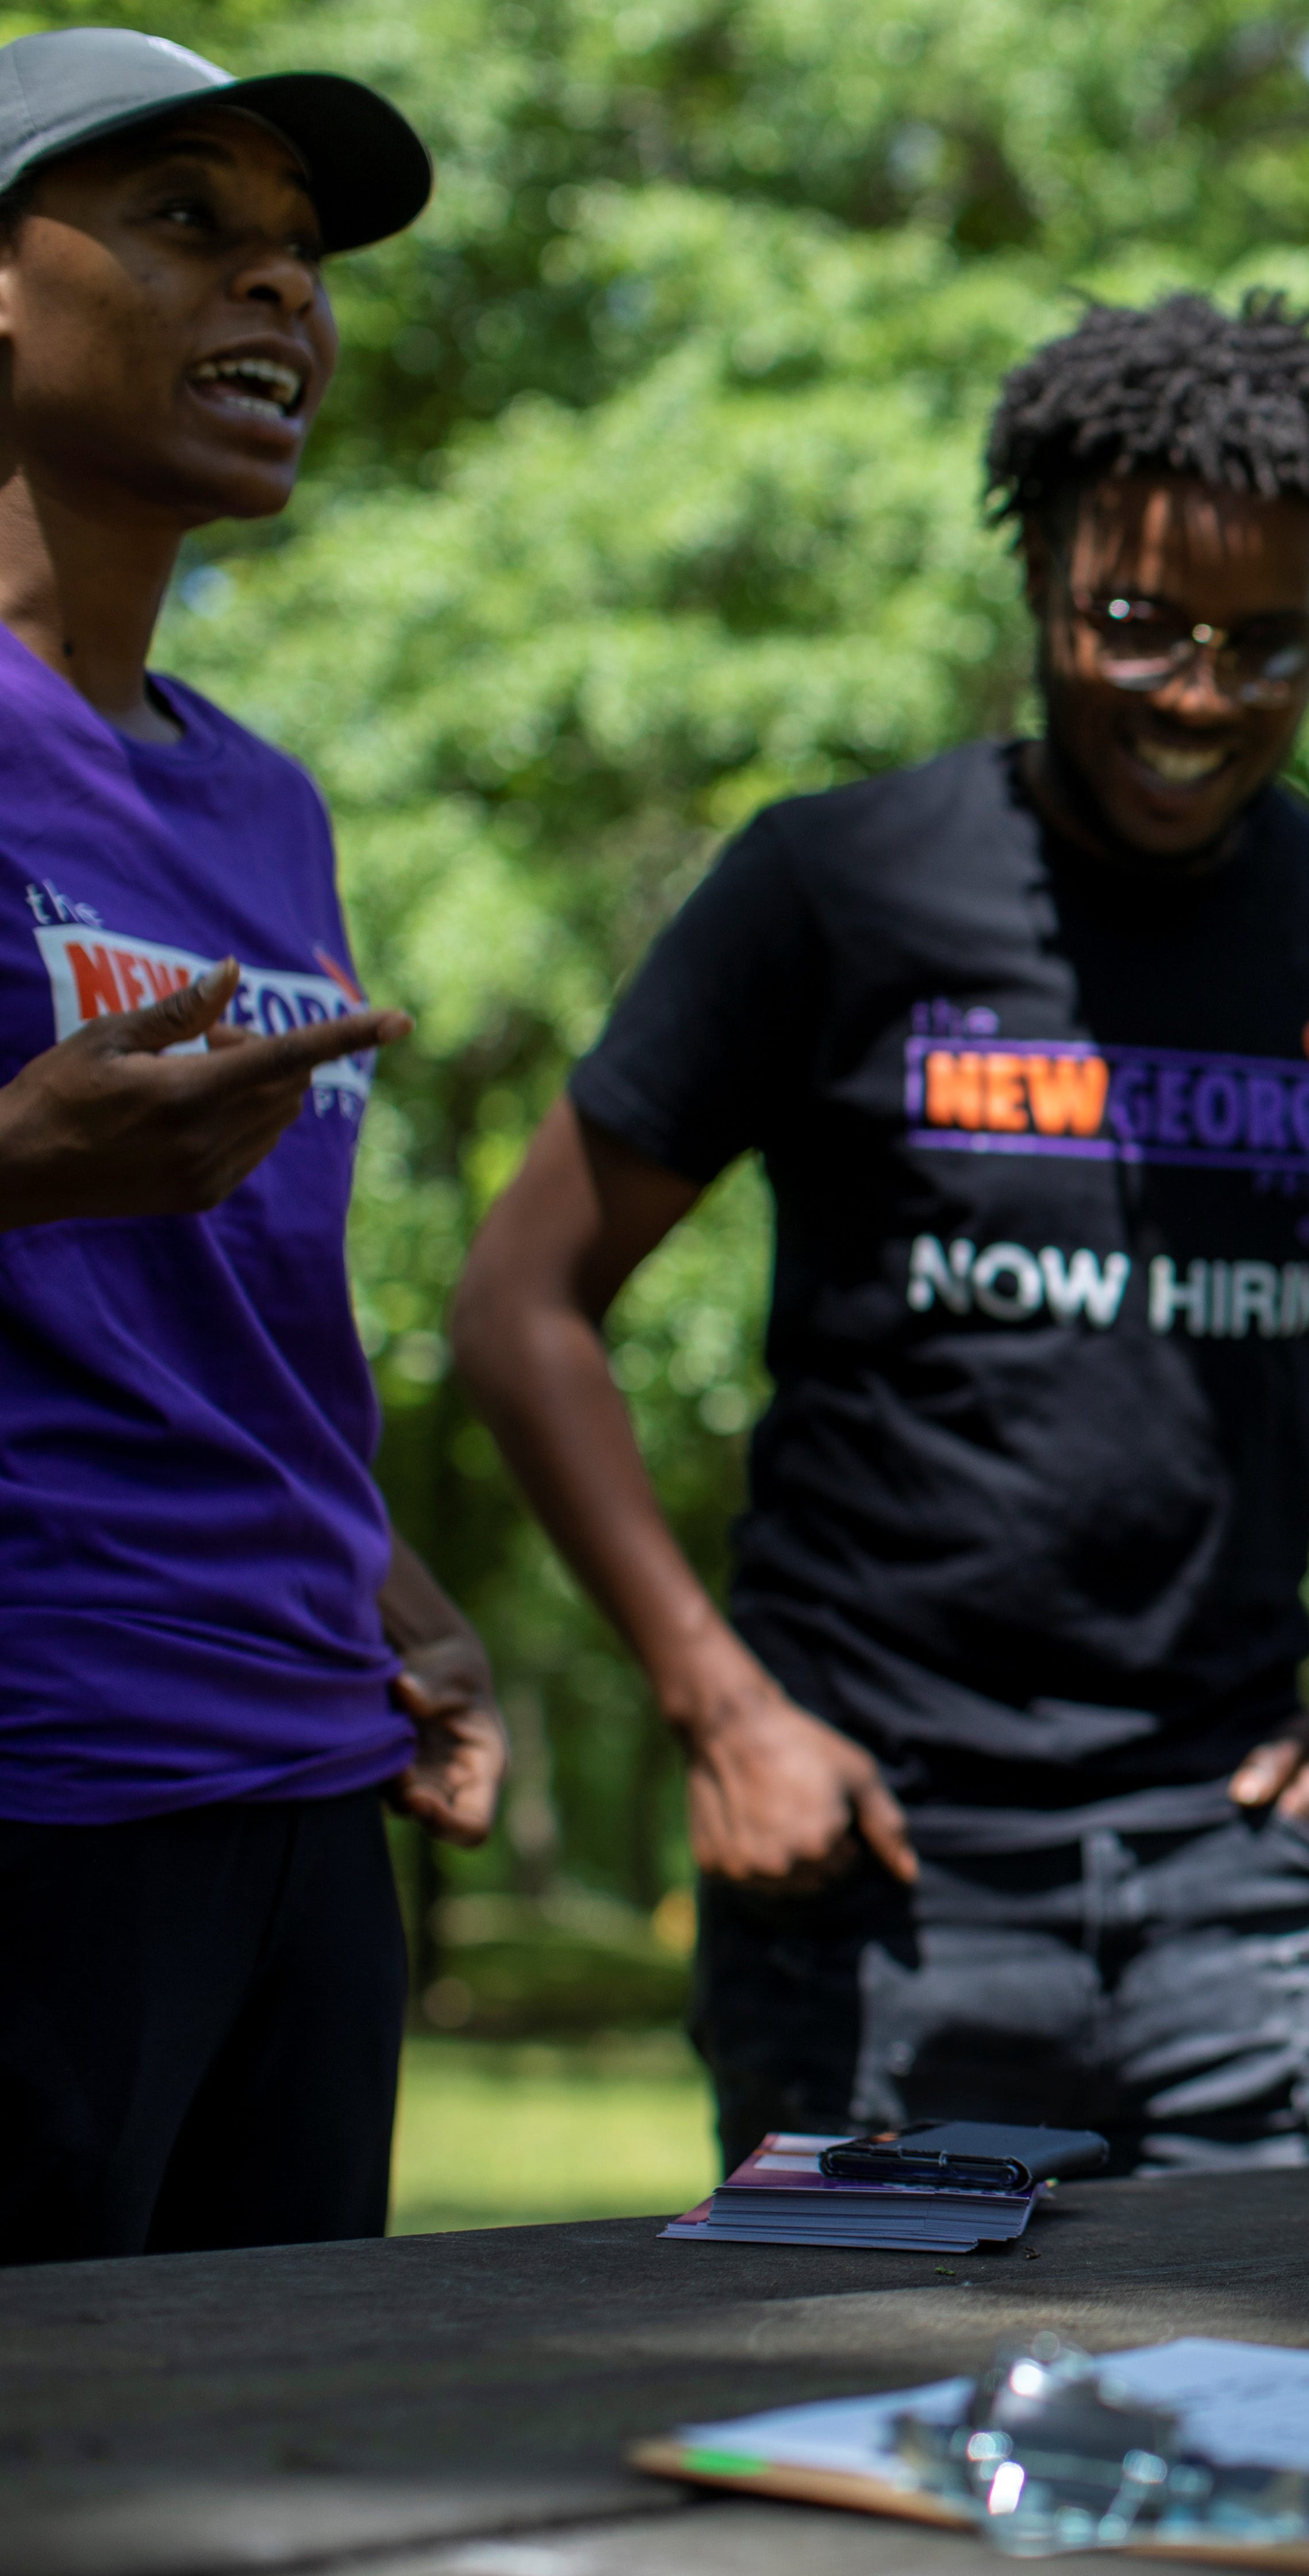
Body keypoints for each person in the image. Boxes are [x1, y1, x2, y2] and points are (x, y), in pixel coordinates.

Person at [450, 292, 1309, 2174]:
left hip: (1238, 1889)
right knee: (858, 2379)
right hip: (878, 1879)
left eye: (1269, 645)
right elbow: (518, 1304)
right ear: (1039, 579)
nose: (1198, 695)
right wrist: (722, 1712)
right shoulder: (837, 887)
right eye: (1139, 623)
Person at [0, 28, 504, 2266]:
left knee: (276, 2430)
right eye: (191, 221)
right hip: (45, 1776)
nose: (285, 288)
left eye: (304, 252)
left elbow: (229, 1310)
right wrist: (18, 1162)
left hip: (309, 1780)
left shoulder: (266, 802)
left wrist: (395, 1596)